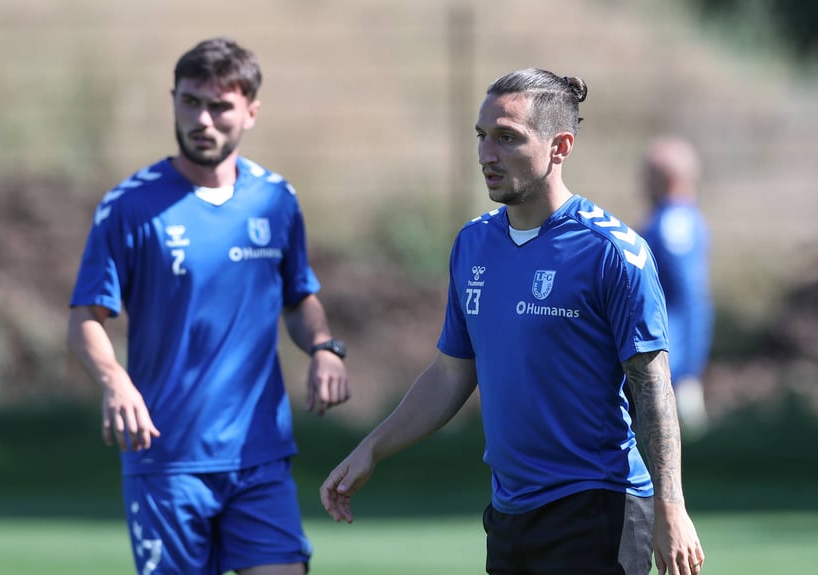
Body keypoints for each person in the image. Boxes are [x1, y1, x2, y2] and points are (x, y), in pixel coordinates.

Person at [320, 69, 705, 575]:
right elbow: (450, 373)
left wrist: (670, 506)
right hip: (509, 514)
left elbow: (652, 386)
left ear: (559, 147)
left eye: (507, 138)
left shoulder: (612, 251)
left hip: (597, 507)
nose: (486, 154)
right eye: (481, 136)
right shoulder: (473, 244)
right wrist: (372, 448)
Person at [66, 37, 350, 575]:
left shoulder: (276, 199)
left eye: (219, 106)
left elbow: (298, 296)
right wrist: (115, 382)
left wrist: (323, 348)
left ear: (250, 112)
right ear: (173, 100)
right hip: (167, 457)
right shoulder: (129, 205)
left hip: (259, 453)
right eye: (190, 102)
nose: (202, 119)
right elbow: (85, 319)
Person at [639, 137, 714, 435]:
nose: (642, 185)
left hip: (669, 355)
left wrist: (688, 365)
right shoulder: (672, 219)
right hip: (663, 353)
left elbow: (691, 296)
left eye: (648, 177)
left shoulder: (675, 223)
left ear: (668, 180)